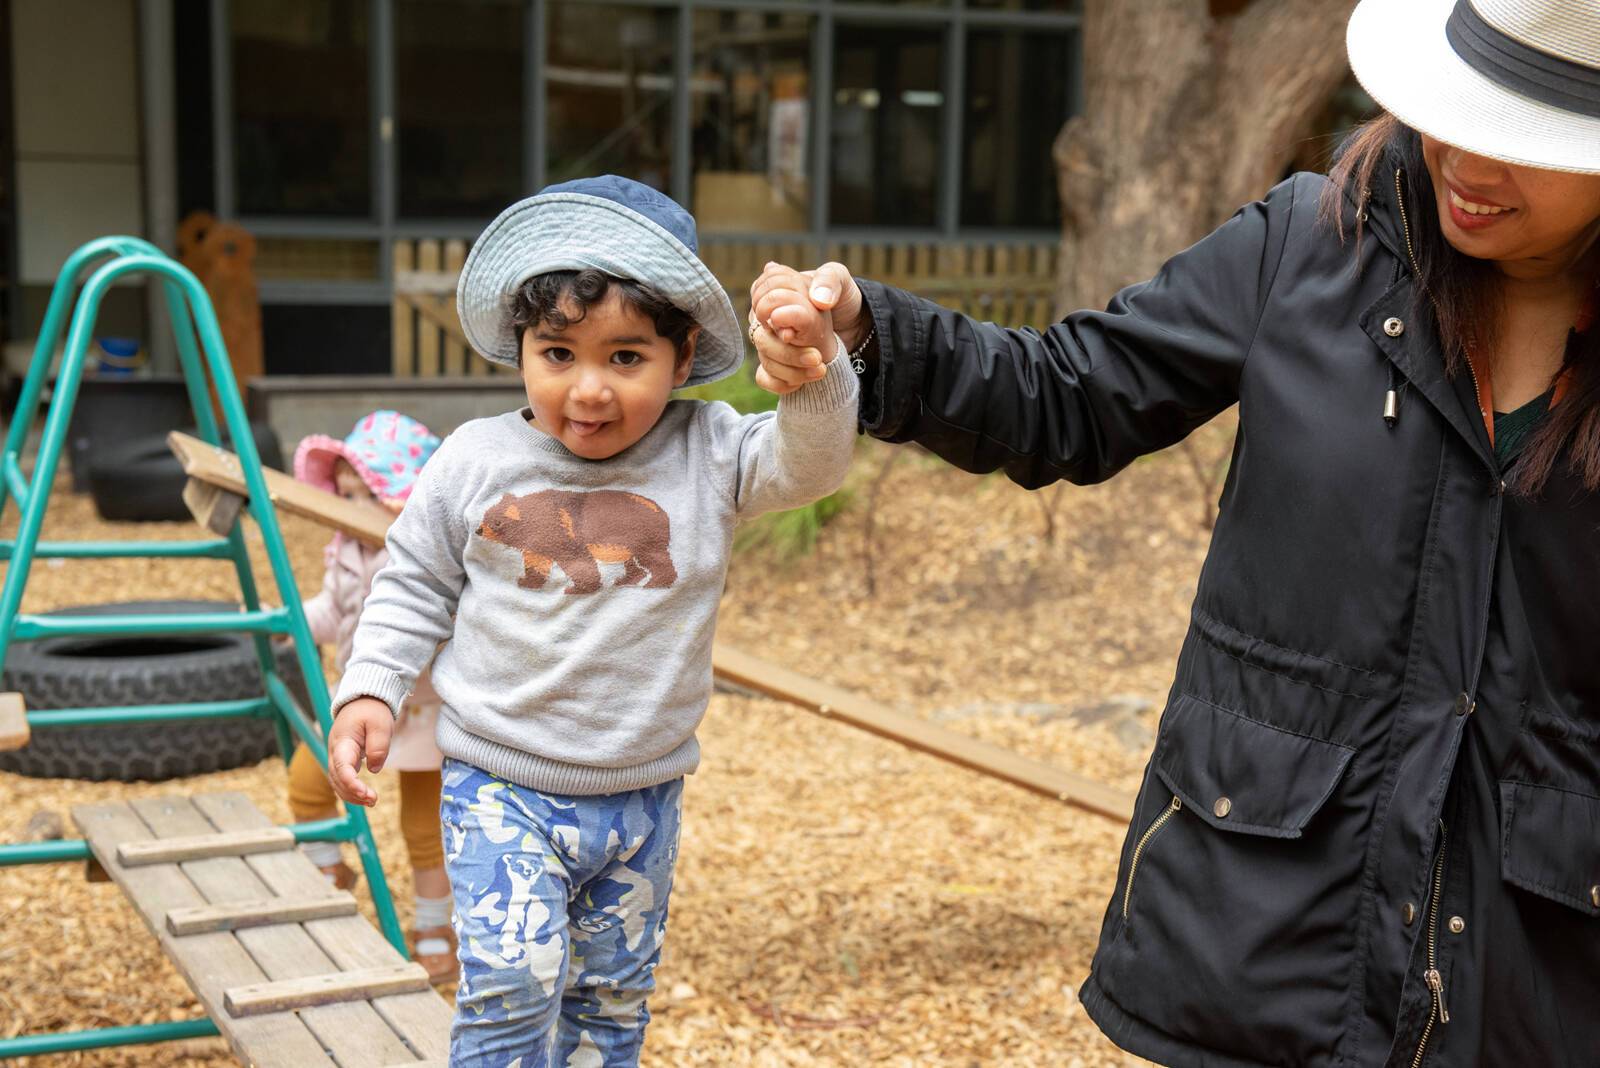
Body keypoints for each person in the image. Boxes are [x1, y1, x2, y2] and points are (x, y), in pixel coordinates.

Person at [748, 1, 1600, 1064]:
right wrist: (870, 336)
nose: (1465, 162)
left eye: (1523, 141)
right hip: (1265, 936)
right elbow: (1066, 397)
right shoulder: (1310, 244)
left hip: (1539, 973)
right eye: (1450, 113)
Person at [323, 175, 858, 1066]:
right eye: (559, 353)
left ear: (682, 360)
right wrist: (370, 688)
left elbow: (809, 466)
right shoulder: (476, 461)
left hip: (644, 795)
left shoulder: (711, 450)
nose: (589, 390)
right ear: (523, 350)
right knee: (511, 984)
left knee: (612, 1004)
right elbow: (414, 579)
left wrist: (815, 372)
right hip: (500, 782)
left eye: (626, 358)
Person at [286, 410, 456, 985]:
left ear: (399, 498)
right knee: (306, 784)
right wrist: (292, 622)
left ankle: (435, 928)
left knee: (423, 826)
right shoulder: (346, 550)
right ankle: (326, 870)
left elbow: (440, 623)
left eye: (365, 494)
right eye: (345, 491)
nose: (347, 504)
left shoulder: (419, 556)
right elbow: (334, 612)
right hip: (353, 699)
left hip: (421, 710)